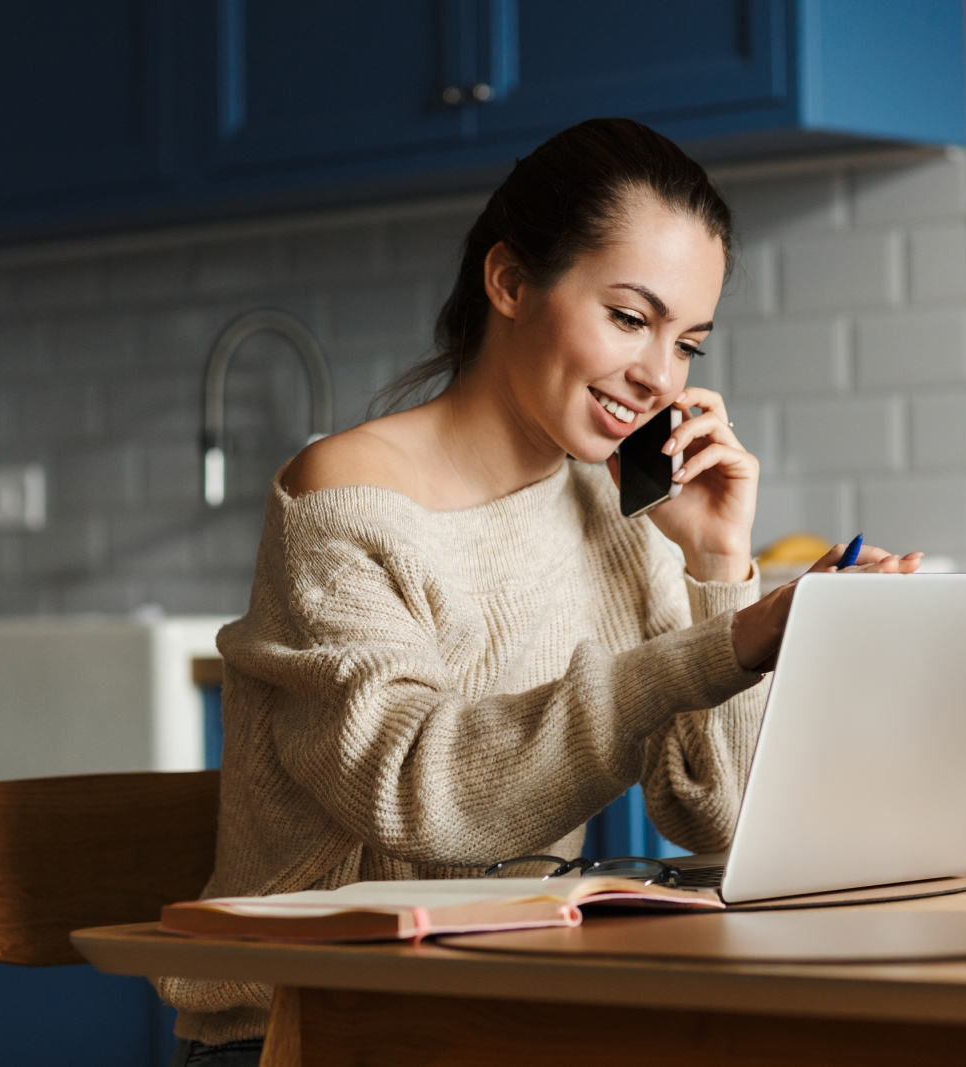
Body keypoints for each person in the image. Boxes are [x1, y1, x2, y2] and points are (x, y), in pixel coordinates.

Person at [161, 117, 921, 1060]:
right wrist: (733, 641)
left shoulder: (618, 509)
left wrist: (719, 567)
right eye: (630, 318)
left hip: (502, 1007)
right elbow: (423, 795)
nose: (657, 377)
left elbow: (717, 815)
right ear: (511, 280)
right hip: (311, 1024)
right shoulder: (342, 499)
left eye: (689, 343)